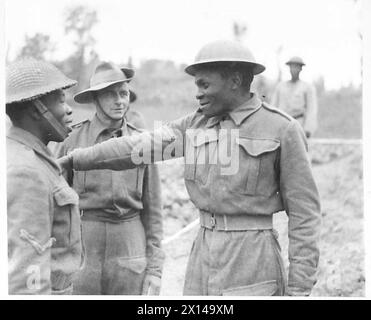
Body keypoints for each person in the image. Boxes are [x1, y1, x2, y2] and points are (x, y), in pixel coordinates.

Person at [58, 40, 321, 296]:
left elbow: (305, 215)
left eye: (204, 84)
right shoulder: (195, 125)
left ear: (235, 80)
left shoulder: (281, 129)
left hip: (252, 259)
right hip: (202, 257)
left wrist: (299, 289)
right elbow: (136, 147)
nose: (198, 93)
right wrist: (74, 159)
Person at [55, 61, 164, 295]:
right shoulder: (71, 140)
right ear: (95, 99)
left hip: (129, 244)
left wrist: (155, 271)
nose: (119, 101)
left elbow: (154, 212)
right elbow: (55, 205)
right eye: (110, 95)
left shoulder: (142, 142)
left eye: (123, 93)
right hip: (85, 245)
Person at [6, 58, 83, 294]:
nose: (69, 109)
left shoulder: (30, 156)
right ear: (36, 109)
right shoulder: (26, 172)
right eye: (61, 100)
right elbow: (27, 279)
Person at [270, 56, 318, 138]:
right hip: (281, 123)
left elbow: (311, 109)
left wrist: (308, 129)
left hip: (298, 124)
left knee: (297, 148)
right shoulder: (281, 86)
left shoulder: (307, 87)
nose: (294, 69)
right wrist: (271, 126)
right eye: (292, 67)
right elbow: (273, 107)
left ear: (301, 69)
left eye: (296, 67)